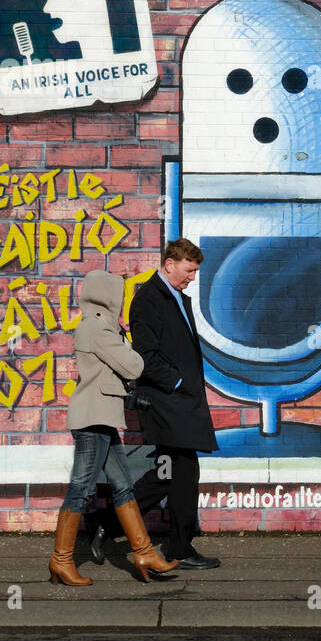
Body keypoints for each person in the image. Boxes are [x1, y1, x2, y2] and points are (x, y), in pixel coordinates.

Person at [85, 239, 220, 570]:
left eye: (195, 272)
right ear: (170, 263)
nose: (192, 278)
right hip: (168, 400)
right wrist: (176, 382)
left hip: (180, 401)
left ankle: (117, 525)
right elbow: (146, 354)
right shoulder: (148, 298)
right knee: (176, 472)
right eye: (189, 271)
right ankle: (173, 545)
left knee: (172, 472)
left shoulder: (176, 298)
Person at [49, 270, 179, 586]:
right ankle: (61, 560)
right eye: (120, 296)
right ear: (109, 297)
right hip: (92, 419)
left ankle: (144, 553)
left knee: (123, 486)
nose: (123, 303)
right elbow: (134, 366)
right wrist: (124, 341)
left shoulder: (98, 326)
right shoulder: (98, 328)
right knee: (80, 488)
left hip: (102, 419)